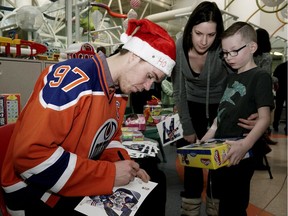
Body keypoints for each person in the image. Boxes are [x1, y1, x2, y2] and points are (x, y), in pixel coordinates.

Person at [0, 18, 176, 216]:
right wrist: (109, 174)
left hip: (70, 174)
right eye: (150, 76)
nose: (147, 87)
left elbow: (109, 137)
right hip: (31, 190)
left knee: (155, 182)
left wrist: (126, 166)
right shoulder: (71, 80)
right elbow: (31, 159)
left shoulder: (119, 90)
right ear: (135, 55)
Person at [171, 2, 257, 216]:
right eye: (198, 33)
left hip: (222, 108)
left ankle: (215, 208)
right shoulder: (180, 46)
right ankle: (189, 209)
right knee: (192, 162)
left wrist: (254, 109)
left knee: (220, 164)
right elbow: (178, 90)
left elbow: (245, 76)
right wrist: (187, 126)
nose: (203, 41)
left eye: (211, 35)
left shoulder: (222, 49)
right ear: (190, 28)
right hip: (190, 106)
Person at [201, 21, 274, 216]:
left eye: (234, 51)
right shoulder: (231, 77)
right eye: (225, 53)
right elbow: (222, 113)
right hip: (222, 148)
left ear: (252, 47)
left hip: (242, 151)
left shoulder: (260, 77)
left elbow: (264, 118)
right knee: (223, 201)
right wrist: (207, 137)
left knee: (235, 204)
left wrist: (245, 145)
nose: (228, 58)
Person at [253, 28, 278, 145]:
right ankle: (263, 138)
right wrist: (276, 79)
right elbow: (266, 75)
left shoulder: (250, 54)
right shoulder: (266, 56)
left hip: (251, 88)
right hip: (263, 91)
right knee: (264, 116)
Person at [273, 61, 287, 134]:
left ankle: (275, 124)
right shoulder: (281, 66)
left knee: (278, 108)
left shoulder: (280, 66)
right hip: (282, 90)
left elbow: (275, 78)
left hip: (280, 90)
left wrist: (275, 87)